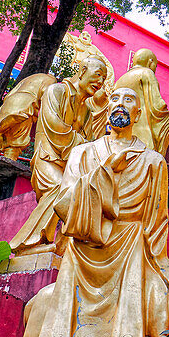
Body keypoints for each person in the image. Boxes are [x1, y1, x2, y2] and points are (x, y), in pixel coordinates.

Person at [28, 87, 169, 337]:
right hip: (83, 247)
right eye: (115, 100)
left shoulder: (153, 162)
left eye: (129, 102)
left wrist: (156, 266)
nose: (120, 106)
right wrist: (104, 172)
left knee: (123, 323)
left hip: (130, 251)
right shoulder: (82, 154)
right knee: (68, 320)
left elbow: (157, 221)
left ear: (138, 115)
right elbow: (63, 200)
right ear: (107, 109)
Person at [10, 59, 109, 261]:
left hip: (69, 167)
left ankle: (61, 247)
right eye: (98, 74)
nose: (101, 82)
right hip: (47, 159)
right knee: (60, 189)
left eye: (104, 79)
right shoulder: (55, 92)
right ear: (82, 71)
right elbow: (55, 128)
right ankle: (23, 244)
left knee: (82, 192)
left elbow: (90, 145)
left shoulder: (88, 110)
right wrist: (83, 143)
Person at [0, 73, 59, 162]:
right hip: (25, 106)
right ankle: (7, 164)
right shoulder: (51, 80)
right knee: (14, 145)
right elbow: (46, 94)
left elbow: (8, 95)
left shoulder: (28, 78)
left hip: (7, 106)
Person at [115, 48, 169, 155]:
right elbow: (158, 105)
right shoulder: (146, 73)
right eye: (155, 66)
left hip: (121, 132)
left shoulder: (120, 79)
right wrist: (168, 123)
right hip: (142, 132)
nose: (155, 69)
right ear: (150, 62)